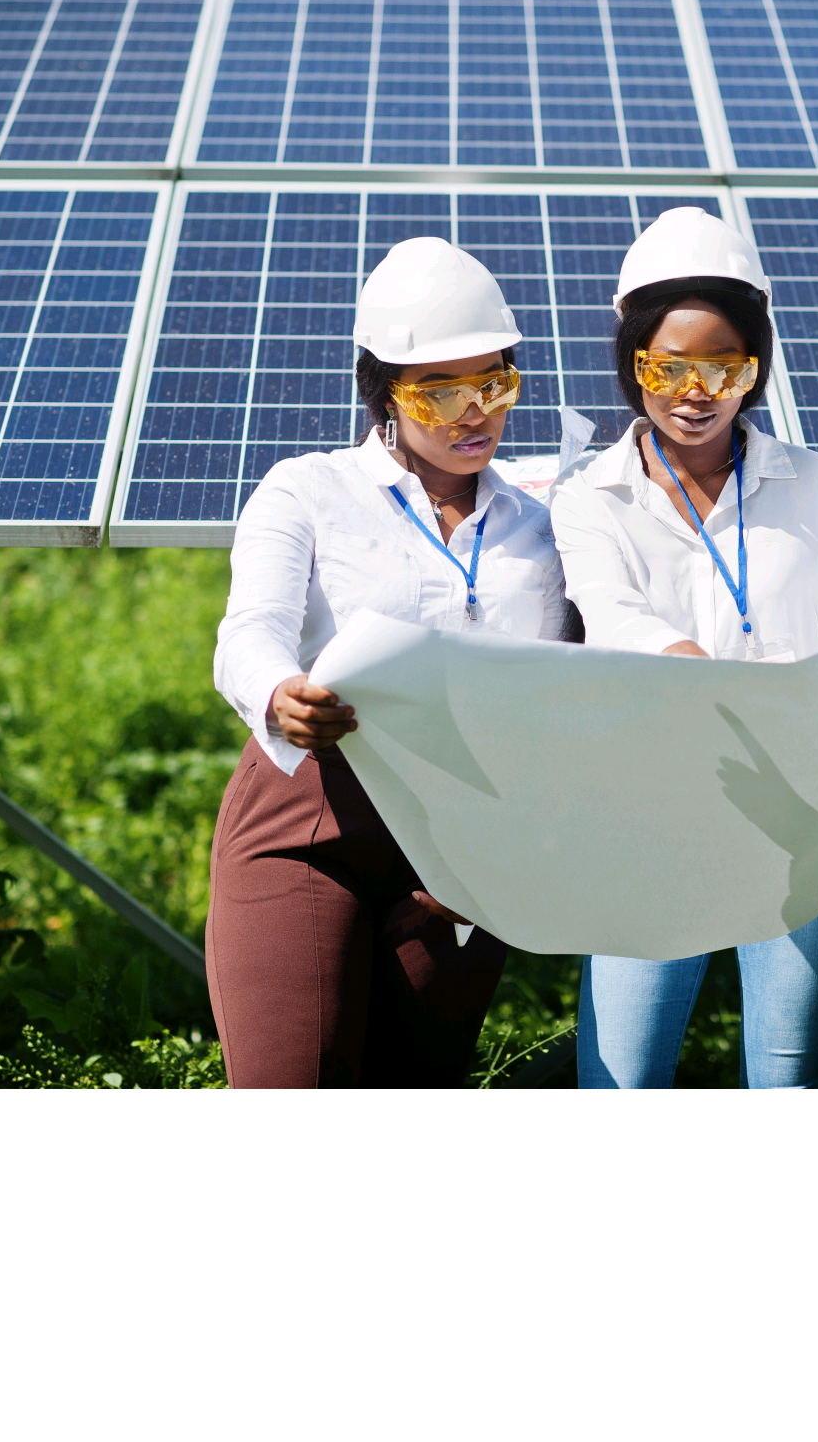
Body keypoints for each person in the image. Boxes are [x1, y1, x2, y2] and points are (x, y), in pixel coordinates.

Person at [208, 236, 571, 1086]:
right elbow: (247, 631)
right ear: (382, 391)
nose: (472, 411)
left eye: (494, 382)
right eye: (439, 391)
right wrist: (278, 693)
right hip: (311, 821)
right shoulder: (307, 489)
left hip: (463, 846)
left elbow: (570, 687)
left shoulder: (545, 519)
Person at [551, 207, 818, 1088]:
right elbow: (610, 614)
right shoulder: (590, 497)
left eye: (725, 367)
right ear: (632, 364)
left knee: (786, 1088)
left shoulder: (809, 483)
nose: (698, 391)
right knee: (620, 1087)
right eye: (668, 367)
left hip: (800, 824)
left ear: (754, 367)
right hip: (649, 825)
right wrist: (689, 665)